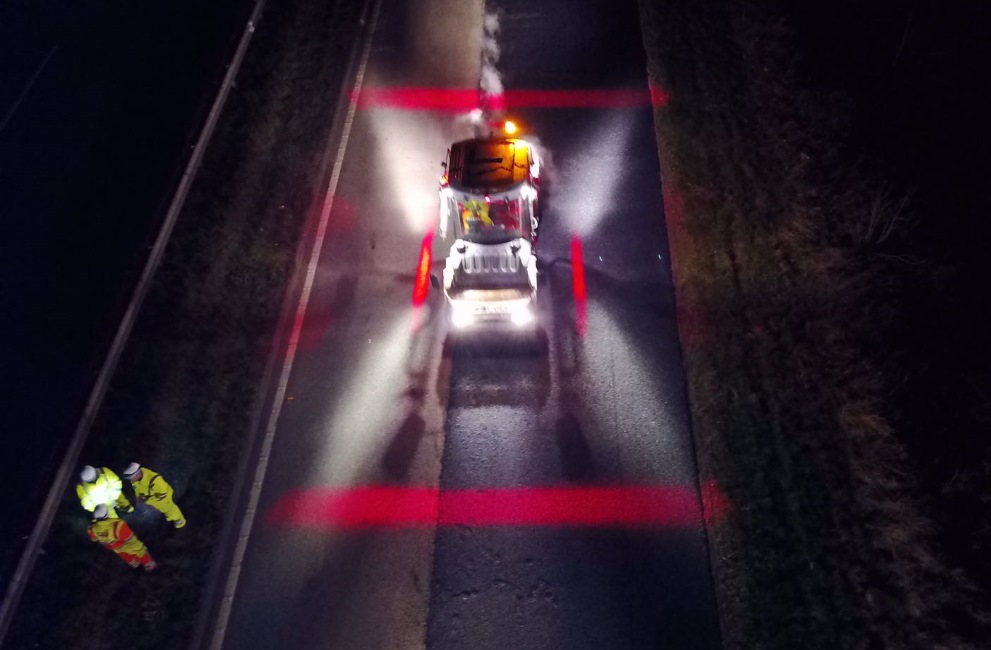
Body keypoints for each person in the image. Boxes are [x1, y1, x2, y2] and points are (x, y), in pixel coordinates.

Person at [87, 504, 156, 570]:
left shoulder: (92, 529)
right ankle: (149, 565)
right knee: (139, 550)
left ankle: (135, 564)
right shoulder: (117, 525)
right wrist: (141, 548)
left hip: (115, 548)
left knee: (126, 556)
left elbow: (94, 539)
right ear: (107, 514)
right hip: (126, 545)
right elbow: (131, 539)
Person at [123, 463, 186, 528]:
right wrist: (140, 496)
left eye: (131, 478)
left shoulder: (155, 480)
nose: (130, 480)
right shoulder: (136, 481)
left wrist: (149, 498)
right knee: (165, 509)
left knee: (170, 509)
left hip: (162, 500)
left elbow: (163, 491)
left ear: (136, 475)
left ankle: (179, 520)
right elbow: (138, 489)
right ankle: (170, 515)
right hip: (155, 501)